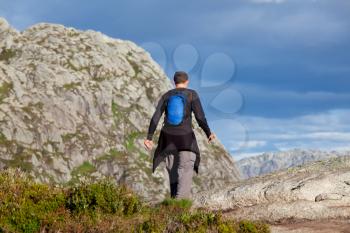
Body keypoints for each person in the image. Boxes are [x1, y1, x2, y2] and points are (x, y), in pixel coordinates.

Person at [144, 71, 216, 199]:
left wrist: (149, 138)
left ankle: (173, 204)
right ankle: (180, 205)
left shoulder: (166, 96)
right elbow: (200, 117)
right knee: (185, 169)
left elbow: (156, 117)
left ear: (174, 82)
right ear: (187, 81)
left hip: (167, 139)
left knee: (173, 172)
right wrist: (208, 133)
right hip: (185, 138)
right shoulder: (192, 94)